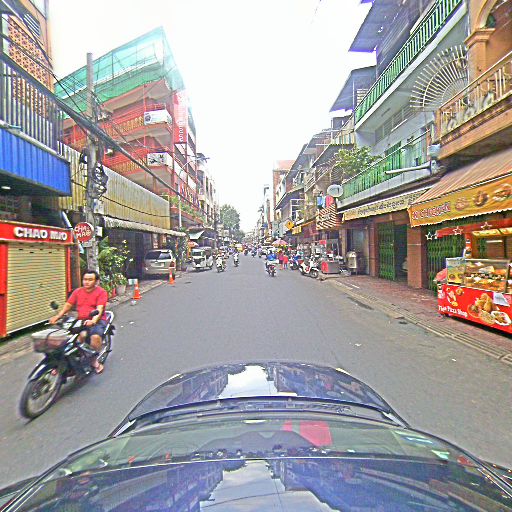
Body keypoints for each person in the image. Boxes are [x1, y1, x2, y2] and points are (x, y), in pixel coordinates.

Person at [49, 270, 108, 374]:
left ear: (96, 281)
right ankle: (61, 363)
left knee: (95, 337)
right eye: (85, 279)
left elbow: (99, 309)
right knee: (67, 339)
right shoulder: (77, 292)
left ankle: (94, 361)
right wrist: (57, 316)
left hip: (97, 321)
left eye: (90, 280)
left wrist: (93, 320)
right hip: (81, 321)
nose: (87, 282)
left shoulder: (101, 292)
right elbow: (68, 305)